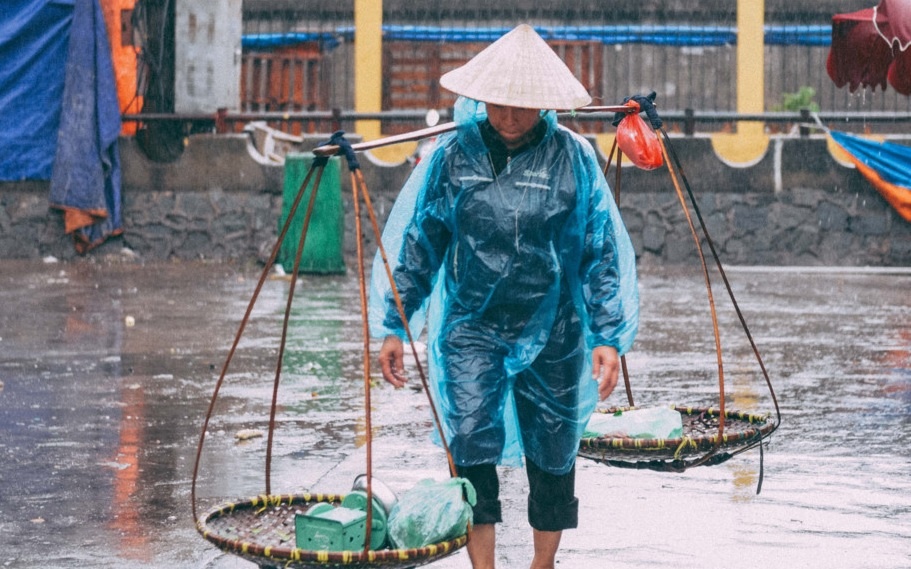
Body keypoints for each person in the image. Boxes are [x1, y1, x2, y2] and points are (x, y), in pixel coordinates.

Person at [369, 24, 639, 569]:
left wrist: (607, 336)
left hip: (556, 330)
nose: (509, 116)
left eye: (522, 105)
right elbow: (422, 243)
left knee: (554, 450)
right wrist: (398, 324)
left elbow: (598, 250)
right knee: (470, 441)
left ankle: (543, 564)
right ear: (481, 97)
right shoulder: (454, 157)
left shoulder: (574, 158)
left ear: (543, 104)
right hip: (471, 327)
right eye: (498, 104)